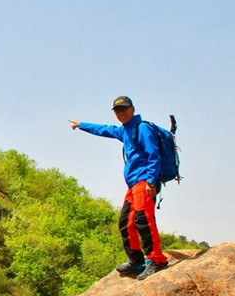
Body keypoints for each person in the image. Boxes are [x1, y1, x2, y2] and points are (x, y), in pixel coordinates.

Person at [69, 96, 169, 280]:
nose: (121, 113)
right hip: (133, 185)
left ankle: (157, 260)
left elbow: (153, 155)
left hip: (144, 182)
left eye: (124, 109)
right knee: (125, 222)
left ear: (133, 109)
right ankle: (136, 261)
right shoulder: (125, 131)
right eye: (117, 111)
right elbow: (104, 130)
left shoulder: (143, 128)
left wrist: (152, 181)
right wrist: (81, 124)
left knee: (143, 220)